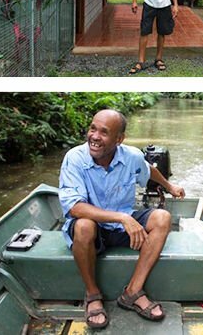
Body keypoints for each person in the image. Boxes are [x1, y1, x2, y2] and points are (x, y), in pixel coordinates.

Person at [58, 109, 186, 329]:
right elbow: (74, 208)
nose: (95, 137)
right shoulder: (75, 158)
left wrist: (170, 186)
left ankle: (133, 291)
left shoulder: (132, 156)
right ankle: (92, 294)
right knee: (84, 226)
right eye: (92, 128)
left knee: (162, 218)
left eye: (104, 132)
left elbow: (149, 170)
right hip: (93, 229)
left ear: (119, 139)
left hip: (121, 224)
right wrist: (121, 218)